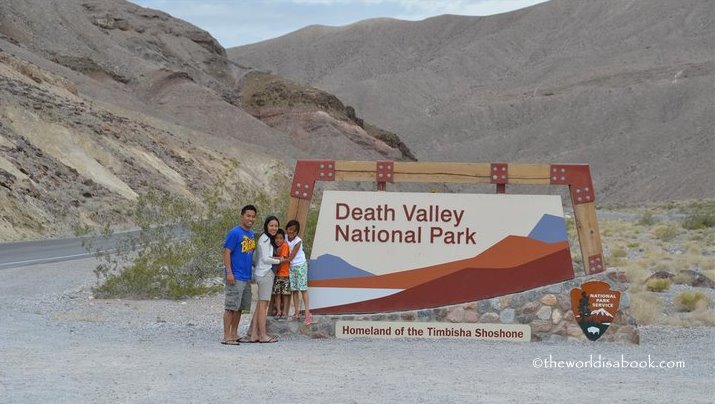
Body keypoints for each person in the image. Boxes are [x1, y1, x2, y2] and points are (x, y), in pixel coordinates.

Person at [244, 215, 287, 343]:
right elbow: (265, 259)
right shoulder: (265, 239)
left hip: (262, 273)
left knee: (260, 305)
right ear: (266, 226)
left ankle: (254, 335)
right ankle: (263, 336)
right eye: (271, 225)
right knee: (264, 305)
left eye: (276, 226)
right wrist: (279, 259)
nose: (274, 228)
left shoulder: (267, 239)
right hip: (265, 273)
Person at [222, 204, 257, 345]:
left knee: (240, 308)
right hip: (235, 276)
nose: (251, 219)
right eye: (248, 215)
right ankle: (226, 336)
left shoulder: (251, 234)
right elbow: (227, 252)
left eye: (253, 216)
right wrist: (229, 272)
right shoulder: (234, 233)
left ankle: (234, 333)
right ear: (242, 216)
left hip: (246, 276)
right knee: (231, 307)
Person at [286, 220, 312, 325]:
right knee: (294, 290)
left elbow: (291, 256)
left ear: (297, 232)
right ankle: (296, 312)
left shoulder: (298, 241)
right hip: (291, 266)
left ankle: (307, 313)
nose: (291, 232)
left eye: (294, 230)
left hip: (300, 265)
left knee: (303, 289)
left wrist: (278, 259)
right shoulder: (284, 238)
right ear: (286, 228)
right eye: (290, 229)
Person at [270, 229, 291, 319]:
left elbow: (282, 259)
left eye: (280, 238)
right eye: (276, 238)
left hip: (285, 274)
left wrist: (271, 257)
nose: (278, 240)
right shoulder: (275, 248)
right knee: (277, 294)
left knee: (285, 294)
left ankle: (285, 311)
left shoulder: (284, 246)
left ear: (284, 239)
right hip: (277, 274)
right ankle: (278, 310)